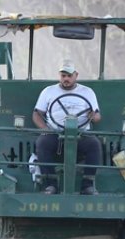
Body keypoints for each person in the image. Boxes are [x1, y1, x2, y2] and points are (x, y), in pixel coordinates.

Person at [32, 60, 102, 195]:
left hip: (81, 133)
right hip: (55, 133)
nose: (66, 79)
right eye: (63, 76)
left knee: (94, 144)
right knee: (42, 143)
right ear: (59, 76)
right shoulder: (48, 91)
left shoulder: (87, 92)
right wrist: (45, 129)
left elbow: (97, 116)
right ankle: (50, 184)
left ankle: (88, 185)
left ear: (76, 75)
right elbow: (36, 114)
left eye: (69, 76)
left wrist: (93, 116)